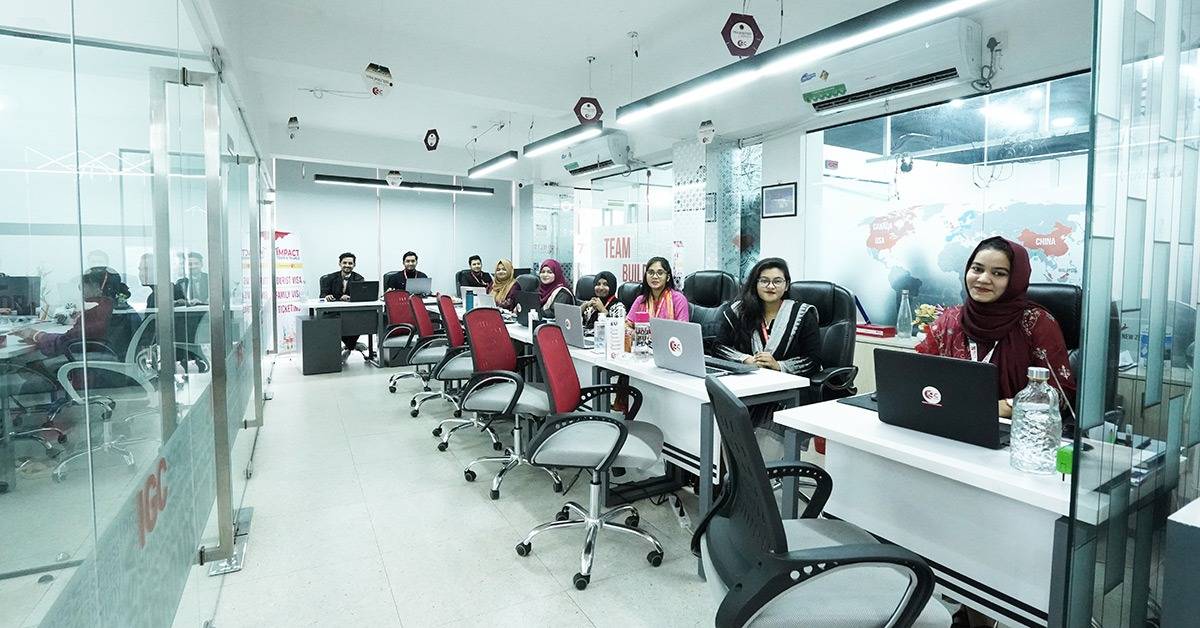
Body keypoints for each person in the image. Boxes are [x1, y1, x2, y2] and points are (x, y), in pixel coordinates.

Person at [916, 236, 1076, 421]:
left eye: (999, 273)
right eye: (977, 269)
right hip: (951, 421)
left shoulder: (1036, 323)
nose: (983, 279)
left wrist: (1009, 406)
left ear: (1016, 279)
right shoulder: (949, 320)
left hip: (1015, 428)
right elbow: (921, 376)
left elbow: (1061, 395)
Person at [713, 257, 821, 376]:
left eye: (777, 281)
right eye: (764, 281)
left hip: (788, 382)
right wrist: (746, 359)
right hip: (746, 377)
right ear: (755, 284)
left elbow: (813, 360)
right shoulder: (739, 311)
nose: (770, 286)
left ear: (786, 286)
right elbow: (718, 347)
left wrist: (779, 366)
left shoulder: (803, 315)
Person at [319, 252, 367, 357]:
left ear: (354, 265)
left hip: (351, 312)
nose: (347, 265)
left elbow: (360, 296)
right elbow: (322, 294)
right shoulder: (329, 278)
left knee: (361, 321)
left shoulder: (359, 278)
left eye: (350, 263)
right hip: (333, 311)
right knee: (333, 322)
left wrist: (350, 298)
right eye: (344, 263)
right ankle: (351, 345)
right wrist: (327, 296)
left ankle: (349, 346)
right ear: (340, 264)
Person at [626, 256, 689, 326]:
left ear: (668, 277)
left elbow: (683, 328)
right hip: (643, 333)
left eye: (660, 273)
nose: (655, 277)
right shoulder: (641, 300)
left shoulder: (678, 299)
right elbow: (627, 324)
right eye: (651, 272)